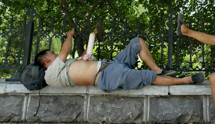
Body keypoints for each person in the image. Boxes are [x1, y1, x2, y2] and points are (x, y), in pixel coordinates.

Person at [34, 28, 205, 92]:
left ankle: (158, 70)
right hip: (107, 75)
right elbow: (66, 49)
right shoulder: (51, 73)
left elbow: (85, 54)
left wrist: (93, 35)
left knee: (136, 42)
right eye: (53, 54)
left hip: (111, 64)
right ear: (47, 59)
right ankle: (187, 80)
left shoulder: (65, 65)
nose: (57, 54)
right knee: (145, 77)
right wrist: (69, 35)